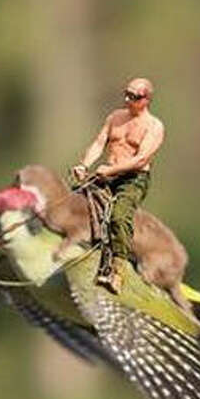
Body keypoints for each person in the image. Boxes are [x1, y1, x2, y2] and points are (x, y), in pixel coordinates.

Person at [71, 77, 164, 294]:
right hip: (106, 174)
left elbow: (141, 159)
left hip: (132, 179)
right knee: (73, 200)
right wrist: (84, 165)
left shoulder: (154, 126)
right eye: (126, 94)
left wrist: (111, 170)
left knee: (119, 216)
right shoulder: (115, 117)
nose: (127, 99)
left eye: (133, 97)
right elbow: (98, 143)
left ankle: (118, 270)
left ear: (146, 99)